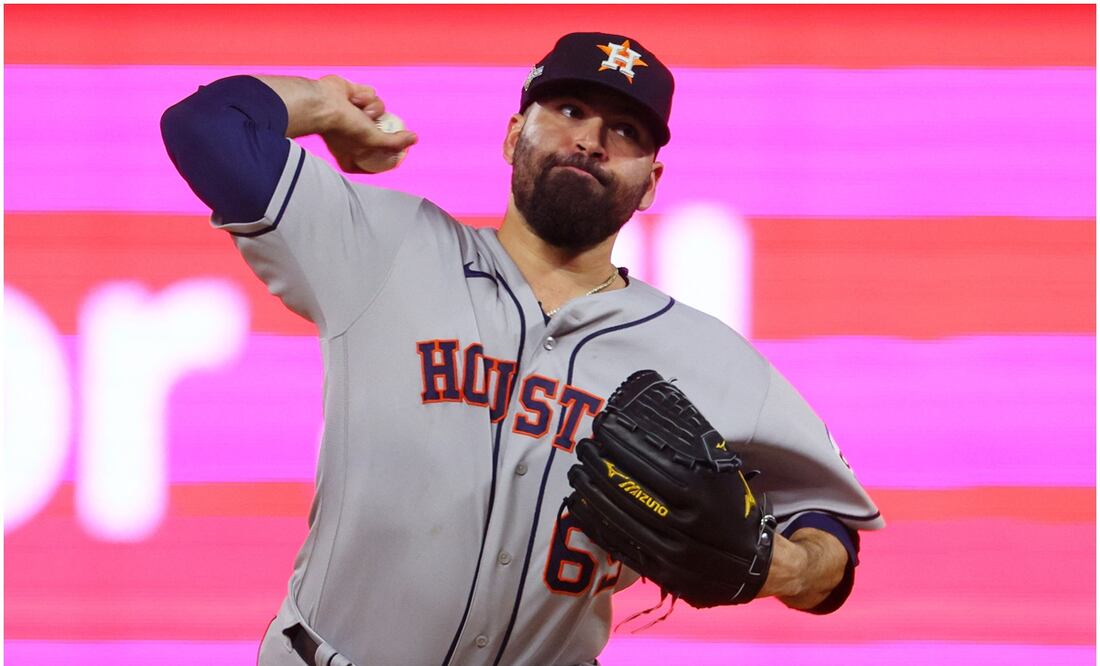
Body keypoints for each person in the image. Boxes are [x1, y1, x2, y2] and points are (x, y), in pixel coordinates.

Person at [162, 31, 883, 666]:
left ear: (651, 184)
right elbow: (205, 126)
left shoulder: (707, 358)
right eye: (568, 111)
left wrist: (782, 567)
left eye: (627, 131)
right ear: (512, 135)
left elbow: (833, 541)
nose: (592, 140)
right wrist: (320, 103)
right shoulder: (382, 249)